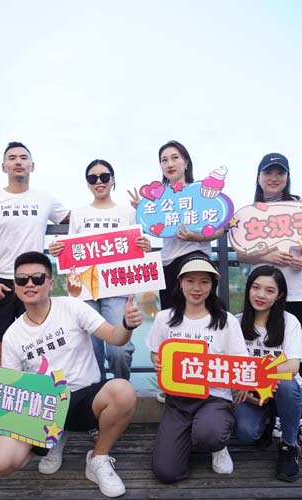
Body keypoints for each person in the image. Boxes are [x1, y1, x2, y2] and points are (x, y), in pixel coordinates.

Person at [0, 251, 142, 498]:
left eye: (38, 278)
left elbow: (115, 337)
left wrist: (126, 325)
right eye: (22, 280)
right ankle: (51, 440)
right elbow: (10, 393)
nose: (30, 284)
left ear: (50, 283)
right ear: (15, 286)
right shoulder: (12, 335)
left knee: (123, 390)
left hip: (84, 398)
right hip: (42, 408)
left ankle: (98, 458)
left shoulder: (72, 307)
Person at [130, 140, 226, 404]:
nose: (169, 164)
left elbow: (220, 226)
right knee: (172, 320)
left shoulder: (202, 192)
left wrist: (198, 237)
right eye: (164, 160)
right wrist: (142, 210)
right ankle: (172, 379)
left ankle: (205, 378)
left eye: (175, 158)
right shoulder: (159, 198)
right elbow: (153, 227)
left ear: (186, 162)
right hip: (168, 262)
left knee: (203, 318)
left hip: (196, 258)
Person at [235, 153, 302, 445]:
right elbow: (241, 254)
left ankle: (299, 413)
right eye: (268, 173)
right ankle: (268, 408)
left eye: (279, 173)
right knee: (260, 348)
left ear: (287, 177)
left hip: (300, 291)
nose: (274, 178)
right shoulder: (251, 212)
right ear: (258, 177)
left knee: (299, 354)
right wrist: (267, 255)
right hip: (263, 291)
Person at [147, 252, 248, 483]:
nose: (197, 288)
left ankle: (217, 444)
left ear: (212, 286)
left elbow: (240, 362)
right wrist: (157, 361)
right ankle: (188, 434)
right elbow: (155, 352)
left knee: (209, 434)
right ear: (180, 283)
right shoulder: (164, 318)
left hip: (215, 397)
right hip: (177, 401)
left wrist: (242, 383)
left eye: (204, 281)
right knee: (166, 472)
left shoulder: (226, 320)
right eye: (190, 280)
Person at [49, 159, 151, 382]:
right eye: (92, 178)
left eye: (104, 177)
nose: (99, 182)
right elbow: (71, 251)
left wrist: (145, 245)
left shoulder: (127, 213)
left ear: (113, 179)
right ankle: (98, 396)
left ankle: (122, 389)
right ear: (87, 183)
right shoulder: (78, 214)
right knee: (91, 351)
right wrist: (58, 250)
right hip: (85, 290)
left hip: (118, 287)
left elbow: (138, 249)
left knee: (119, 351)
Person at [0, 142, 70, 366]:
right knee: (2, 353)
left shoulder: (45, 199)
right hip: (0, 282)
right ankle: (4, 387)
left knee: (42, 347)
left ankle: (38, 387)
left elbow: (77, 221)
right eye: (12, 158)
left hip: (35, 281)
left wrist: (126, 217)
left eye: (24, 158)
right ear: (3, 166)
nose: (18, 162)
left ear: (32, 166)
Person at [233, 266, 302, 482]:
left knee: (284, 383)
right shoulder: (236, 322)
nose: (260, 295)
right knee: (246, 433)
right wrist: (243, 390)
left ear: (279, 295)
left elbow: (292, 367)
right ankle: (267, 422)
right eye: (256, 288)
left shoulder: (289, 322)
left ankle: (289, 445)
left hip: (288, 393)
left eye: (269, 290)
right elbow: (230, 367)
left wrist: (254, 377)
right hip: (252, 395)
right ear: (248, 289)